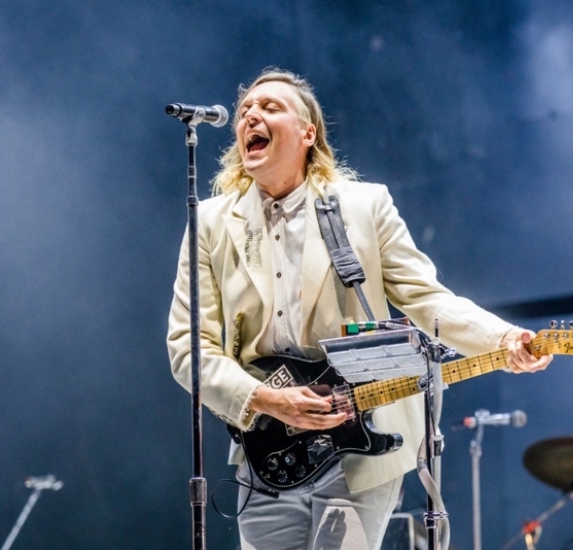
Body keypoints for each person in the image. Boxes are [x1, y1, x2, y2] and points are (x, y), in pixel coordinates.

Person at [166, 68, 552, 550]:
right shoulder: (209, 223)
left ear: (308, 133)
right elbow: (189, 348)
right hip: (267, 446)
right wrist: (267, 399)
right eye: (245, 111)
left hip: (360, 438)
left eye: (269, 107)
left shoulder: (364, 207)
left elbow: (427, 299)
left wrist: (501, 339)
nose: (250, 116)